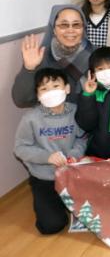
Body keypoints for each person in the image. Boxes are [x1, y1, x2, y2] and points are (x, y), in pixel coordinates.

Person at [14, 68, 88, 234]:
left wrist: (74, 154)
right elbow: (20, 148)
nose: (51, 92)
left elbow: (82, 138)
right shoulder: (30, 118)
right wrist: (47, 157)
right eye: (44, 89)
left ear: (67, 88)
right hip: (44, 177)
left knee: (91, 214)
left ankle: (65, 203)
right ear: (38, 95)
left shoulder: (76, 111)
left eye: (56, 86)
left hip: (73, 174)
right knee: (50, 226)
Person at [12, 4, 93, 108]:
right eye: (64, 25)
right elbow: (21, 101)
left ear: (83, 28)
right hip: (50, 117)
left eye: (76, 25)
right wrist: (29, 69)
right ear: (54, 29)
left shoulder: (95, 55)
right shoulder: (41, 57)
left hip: (87, 116)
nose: (70, 30)